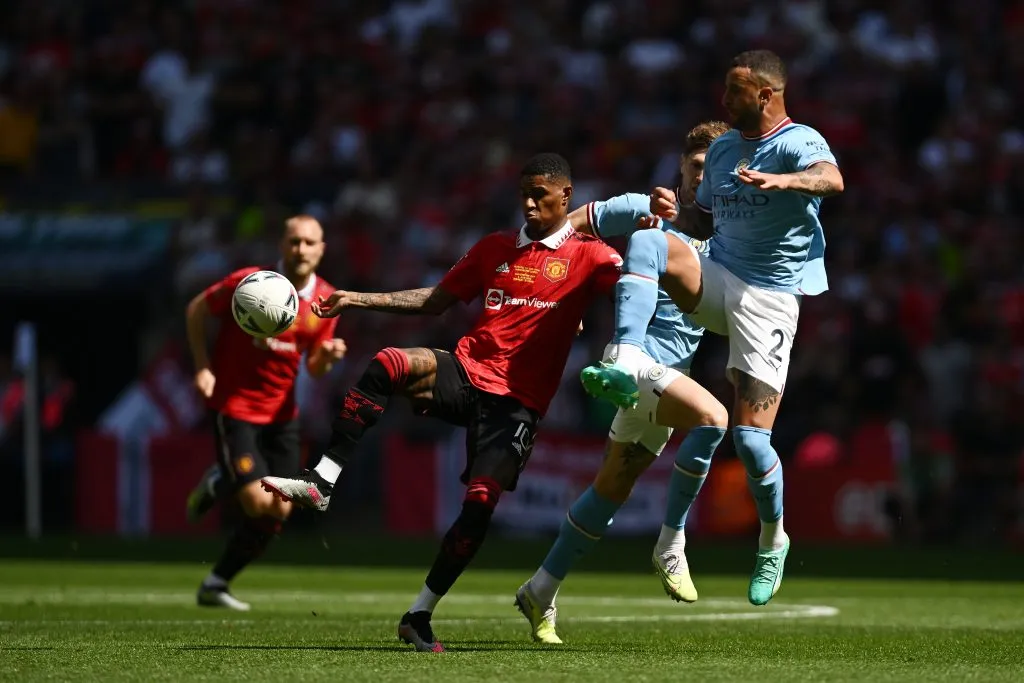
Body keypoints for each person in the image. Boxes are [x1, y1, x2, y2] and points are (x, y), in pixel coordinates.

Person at [261, 153, 622, 652]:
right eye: (524, 194)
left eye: (541, 194)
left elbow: (636, 293)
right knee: (388, 362)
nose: (530, 204)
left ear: (567, 196)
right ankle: (323, 480)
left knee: (479, 507)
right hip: (468, 371)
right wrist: (355, 298)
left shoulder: (592, 255)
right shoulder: (495, 247)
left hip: (516, 406)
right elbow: (435, 299)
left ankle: (419, 614)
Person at [585, 50, 845, 607]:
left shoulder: (799, 142)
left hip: (771, 299)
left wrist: (788, 183)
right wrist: (667, 209)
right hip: (721, 274)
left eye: (735, 92)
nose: (725, 102)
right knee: (651, 240)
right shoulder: (725, 147)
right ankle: (625, 357)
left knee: (751, 443)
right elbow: (698, 218)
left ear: (766, 95)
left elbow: (832, 179)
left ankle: (773, 537)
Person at [515, 122, 731, 645]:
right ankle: (672, 541)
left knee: (611, 488)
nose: (705, 177)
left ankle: (541, 589)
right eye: (697, 166)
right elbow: (567, 225)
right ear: (681, 168)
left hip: (666, 375)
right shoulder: (647, 208)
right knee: (714, 419)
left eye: (715, 169)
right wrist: (558, 288)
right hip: (637, 365)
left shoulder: (732, 233)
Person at [183, 215, 347, 611]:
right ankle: (223, 478)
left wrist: (326, 357)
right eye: (295, 241)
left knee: (280, 511)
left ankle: (216, 582)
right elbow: (197, 310)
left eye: (310, 243)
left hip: (282, 417)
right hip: (235, 408)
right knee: (258, 503)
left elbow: (314, 368)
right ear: (282, 244)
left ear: (322, 249)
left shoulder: (326, 302)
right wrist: (203, 367)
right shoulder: (249, 283)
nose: (301, 250)